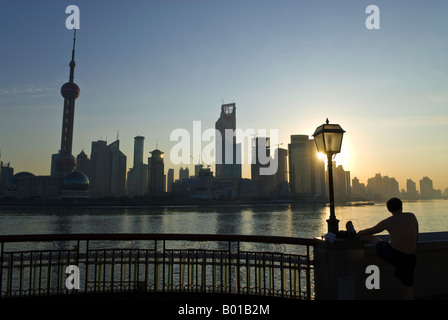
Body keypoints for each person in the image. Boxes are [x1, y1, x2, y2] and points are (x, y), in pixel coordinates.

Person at [356, 197, 419, 300]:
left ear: (389, 209)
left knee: (371, 238)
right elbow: (416, 235)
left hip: (394, 254)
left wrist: (359, 233)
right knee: (408, 289)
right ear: (401, 206)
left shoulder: (389, 221)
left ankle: (356, 238)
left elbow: (371, 230)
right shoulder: (411, 216)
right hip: (410, 257)